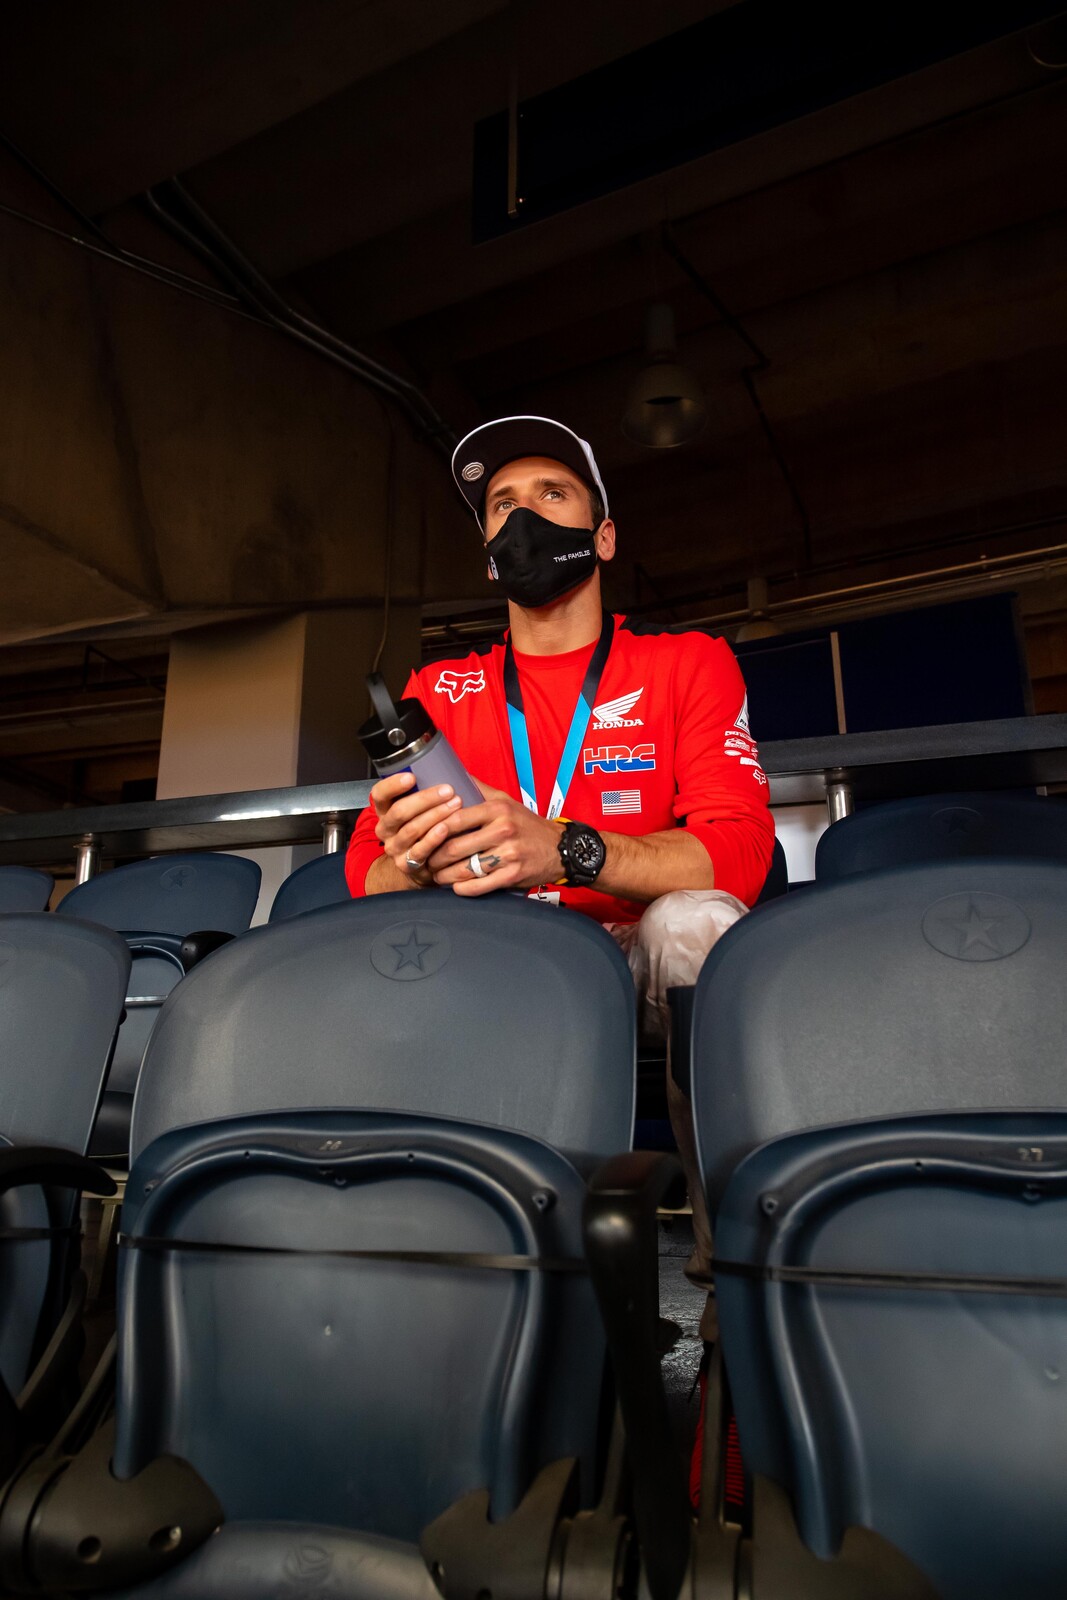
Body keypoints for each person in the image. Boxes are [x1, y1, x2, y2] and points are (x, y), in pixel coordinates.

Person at [346, 415, 775, 1337]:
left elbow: (738, 854)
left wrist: (565, 846)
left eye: (552, 495)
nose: (522, 519)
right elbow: (363, 885)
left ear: (603, 534)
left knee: (696, 922)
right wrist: (409, 858)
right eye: (501, 504)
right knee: (392, 949)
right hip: (505, 955)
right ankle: (466, 1283)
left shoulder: (685, 664)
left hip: (633, 954)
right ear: (487, 549)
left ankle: (734, 1269)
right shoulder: (440, 691)